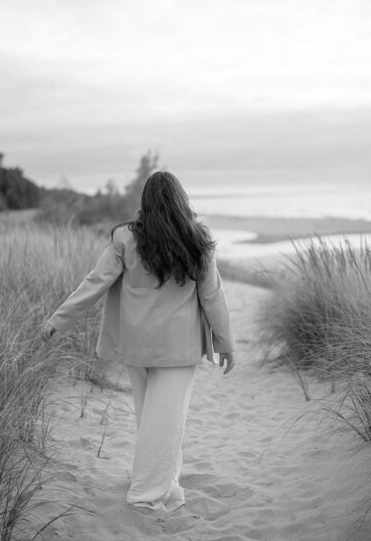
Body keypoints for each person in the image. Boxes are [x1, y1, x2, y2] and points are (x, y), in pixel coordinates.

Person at [41, 171, 235, 514]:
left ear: (145, 202)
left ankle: (161, 479)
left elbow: (94, 283)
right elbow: (213, 297)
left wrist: (58, 320)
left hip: (136, 345)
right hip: (178, 348)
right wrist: (226, 343)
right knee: (165, 419)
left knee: (154, 418)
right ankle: (146, 493)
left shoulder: (125, 238)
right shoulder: (197, 240)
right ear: (181, 200)